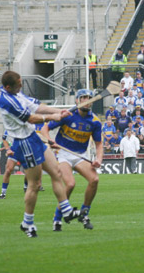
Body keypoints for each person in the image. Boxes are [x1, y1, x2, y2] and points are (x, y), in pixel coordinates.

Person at [0, 70, 81, 238]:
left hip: (34, 137)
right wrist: (54, 117)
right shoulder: (7, 101)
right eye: (19, 84)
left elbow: (37, 106)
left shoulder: (17, 93)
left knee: (56, 172)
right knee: (35, 185)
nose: (21, 85)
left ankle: (66, 210)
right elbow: (31, 118)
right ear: (8, 87)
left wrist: (59, 111)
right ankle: (27, 223)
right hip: (24, 143)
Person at [41, 89, 103, 231]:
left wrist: (98, 159)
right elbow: (45, 129)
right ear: (77, 101)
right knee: (70, 184)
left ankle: (84, 213)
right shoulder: (67, 116)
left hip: (80, 155)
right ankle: (57, 219)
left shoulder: (95, 122)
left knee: (94, 180)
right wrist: (50, 141)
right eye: (83, 98)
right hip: (63, 154)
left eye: (89, 98)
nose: (86, 100)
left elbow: (99, 144)